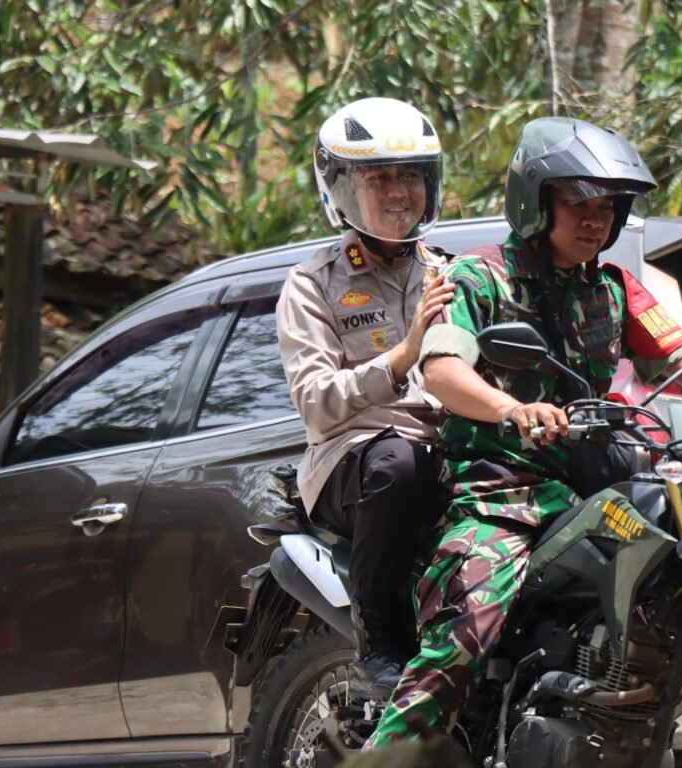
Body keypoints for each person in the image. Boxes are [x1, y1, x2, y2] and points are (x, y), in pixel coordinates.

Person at [365, 116, 682, 747]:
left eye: (607, 208)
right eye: (577, 204)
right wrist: (512, 410)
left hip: (595, 486)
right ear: (535, 203)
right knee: (468, 626)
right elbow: (445, 370)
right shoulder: (476, 279)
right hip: (503, 493)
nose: (594, 221)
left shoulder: (618, 290)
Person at [276, 97, 456, 697]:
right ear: (342, 189)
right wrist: (401, 357)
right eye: (378, 177)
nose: (398, 191)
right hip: (354, 462)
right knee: (397, 461)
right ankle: (380, 636)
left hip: (444, 452)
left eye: (410, 175)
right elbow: (316, 403)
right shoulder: (313, 283)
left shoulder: (451, 272)